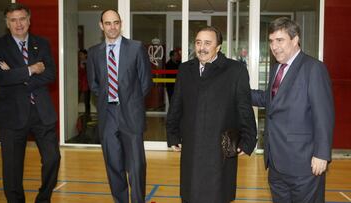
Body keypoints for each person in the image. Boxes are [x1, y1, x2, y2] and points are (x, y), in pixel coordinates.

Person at [166, 26, 257, 203]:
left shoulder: (235, 70)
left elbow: (244, 108)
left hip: (220, 147)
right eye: (198, 43)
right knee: (191, 193)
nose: (202, 48)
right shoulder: (185, 69)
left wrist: (248, 140)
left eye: (208, 43)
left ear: (219, 47)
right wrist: (172, 133)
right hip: (192, 145)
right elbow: (176, 104)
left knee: (218, 194)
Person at [251, 17, 334, 203]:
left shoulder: (313, 68)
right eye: (271, 41)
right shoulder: (277, 68)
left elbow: (324, 115)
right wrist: (238, 93)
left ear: (295, 39)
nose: (274, 46)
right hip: (276, 164)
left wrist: (322, 154)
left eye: (280, 40)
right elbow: (270, 100)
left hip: (304, 164)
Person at [0, 3, 60, 203]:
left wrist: (15, 74)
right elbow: (1, 79)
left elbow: (50, 75)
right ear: (7, 23)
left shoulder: (42, 43)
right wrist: (31, 69)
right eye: (13, 20)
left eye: (22, 19)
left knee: (52, 159)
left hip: (42, 112)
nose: (18, 24)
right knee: (12, 169)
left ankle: (43, 199)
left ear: (29, 21)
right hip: (12, 115)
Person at [87, 9, 152, 203]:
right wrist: (110, 98)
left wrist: (130, 101)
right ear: (101, 26)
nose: (112, 27)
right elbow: (94, 84)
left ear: (121, 23)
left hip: (131, 114)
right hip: (108, 115)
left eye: (116, 22)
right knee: (113, 164)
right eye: (108, 23)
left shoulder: (136, 47)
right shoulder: (93, 52)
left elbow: (145, 82)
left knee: (136, 166)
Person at [78, 49, 91, 117]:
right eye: (79, 54)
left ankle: (87, 115)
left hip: (87, 85)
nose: (80, 56)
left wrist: (83, 68)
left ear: (85, 55)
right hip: (79, 85)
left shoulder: (88, 63)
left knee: (87, 101)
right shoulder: (77, 62)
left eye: (81, 54)